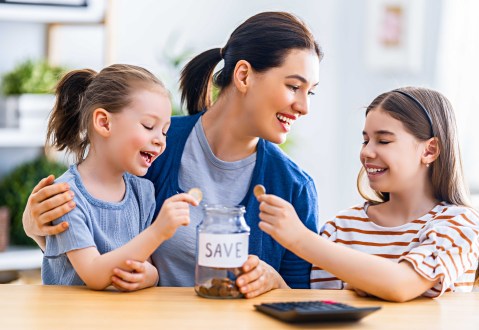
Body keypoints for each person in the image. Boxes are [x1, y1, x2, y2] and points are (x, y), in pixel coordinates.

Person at [23, 12, 322, 297]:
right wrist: (38, 230)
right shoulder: (150, 149)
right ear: (243, 75)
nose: (304, 107)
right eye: (294, 86)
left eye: (309, 92)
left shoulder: (294, 187)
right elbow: (93, 245)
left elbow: (298, 299)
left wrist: (274, 281)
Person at [256, 87, 479, 302]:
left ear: (429, 150)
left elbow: (401, 285)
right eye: (365, 140)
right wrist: (277, 285)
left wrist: (299, 238)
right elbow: (319, 309)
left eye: (383, 141)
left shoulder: (461, 224)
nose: (367, 152)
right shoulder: (342, 228)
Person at [40, 64, 198, 290]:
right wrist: (158, 231)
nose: (160, 140)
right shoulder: (66, 195)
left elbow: (147, 262)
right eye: (149, 126)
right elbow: (93, 273)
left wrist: (149, 276)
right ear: (104, 122)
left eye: (164, 131)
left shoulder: (143, 192)